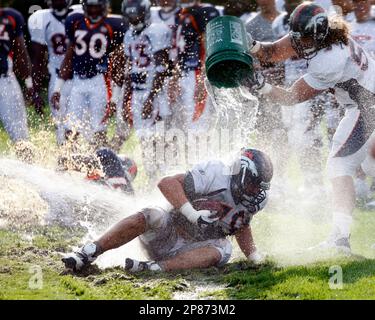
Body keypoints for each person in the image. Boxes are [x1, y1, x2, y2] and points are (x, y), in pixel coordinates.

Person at [246, 1, 375, 252]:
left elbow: (291, 98)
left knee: (340, 165)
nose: (298, 42)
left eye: (303, 38)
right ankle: (340, 239)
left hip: (367, 107)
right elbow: (272, 52)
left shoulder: (329, 59)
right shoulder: (318, 34)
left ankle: (340, 240)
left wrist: (262, 87)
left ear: (317, 34)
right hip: (361, 104)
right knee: (363, 166)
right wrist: (250, 45)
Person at [62, 148, 273, 272]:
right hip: (167, 234)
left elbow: (241, 225)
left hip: (192, 251)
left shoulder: (254, 200)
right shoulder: (215, 174)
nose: (256, 191)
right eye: (255, 183)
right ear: (242, 173)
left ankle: (153, 268)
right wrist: (192, 213)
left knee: (223, 249)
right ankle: (89, 251)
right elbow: (167, 183)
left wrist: (253, 255)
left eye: (260, 186)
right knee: (150, 214)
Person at [109, 0, 171, 185]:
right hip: (137, 92)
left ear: (145, 13)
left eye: (137, 15)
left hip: (154, 93)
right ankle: (154, 179)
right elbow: (130, 69)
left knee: (157, 139)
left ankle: (163, 177)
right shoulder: (129, 35)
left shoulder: (156, 32)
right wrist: (126, 98)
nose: (134, 19)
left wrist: (151, 98)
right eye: (130, 16)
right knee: (145, 140)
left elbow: (162, 68)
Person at [50, 0, 127, 149]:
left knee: (98, 128)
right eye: (90, 7)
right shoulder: (76, 21)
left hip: (100, 81)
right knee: (70, 127)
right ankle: (69, 161)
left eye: (96, 7)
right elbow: (69, 57)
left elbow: (118, 64)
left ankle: (103, 163)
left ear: (104, 7)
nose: (93, 11)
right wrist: (57, 88)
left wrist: (115, 98)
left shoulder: (114, 25)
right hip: (78, 81)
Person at [28, 0, 81, 145]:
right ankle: (64, 159)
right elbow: (38, 58)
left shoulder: (81, 12)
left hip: (81, 78)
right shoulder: (41, 18)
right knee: (60, 125)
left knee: (81, 124)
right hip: (58, 79)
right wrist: (35, 91)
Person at [0, 4, 35, 163]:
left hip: (5, 79)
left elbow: (21, 52)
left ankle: (30, 170)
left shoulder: (11, 17)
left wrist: (29, 85)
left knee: (19, 133)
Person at [58, 147, 137, 195]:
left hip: (94, 192)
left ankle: (65, 162)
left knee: (107, 154)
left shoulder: (113, 163)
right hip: (99, 198)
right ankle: (65, 163)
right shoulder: (129, 192)